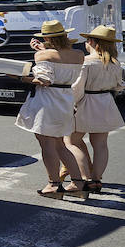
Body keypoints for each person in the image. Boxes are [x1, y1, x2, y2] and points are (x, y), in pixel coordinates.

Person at [15, 20, 86, 198]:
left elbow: (44, 80)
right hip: (65, 99)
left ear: (46, 37)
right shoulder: (78, 55)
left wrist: (20, 77)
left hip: (47, 101)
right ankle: (78, 183)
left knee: (47, 143)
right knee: (60, 144)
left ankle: (53, 184)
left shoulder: (43, 56)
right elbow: (59, 61)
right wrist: (43, 50)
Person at [66, 26, 125, 193]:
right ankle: (96, 179)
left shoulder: (86, 62)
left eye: (88, 39)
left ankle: (83, 177)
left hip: (87, 102)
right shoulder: (115, 62)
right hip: (106, 102)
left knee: (71, 141)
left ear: (92, 42)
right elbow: (119, 85)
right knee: (100, 144)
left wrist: (71, 104)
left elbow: (77, 88)